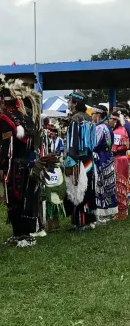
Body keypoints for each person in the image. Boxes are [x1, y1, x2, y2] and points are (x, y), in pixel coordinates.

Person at [0, 82, 38, 247]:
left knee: (14, 199)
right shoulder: (26, 117)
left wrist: (0, 167)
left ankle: (19, 234)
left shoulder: (5, 118)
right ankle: (25, 233)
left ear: (3, 101)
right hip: (29, 164)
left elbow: (7, 146)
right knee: (27, 197)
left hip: (14, 167)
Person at [64, 91, 97, 230]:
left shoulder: (75, 119)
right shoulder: (89, 119)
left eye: (70, 101)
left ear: (75, 103)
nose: (68, 103)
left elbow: (73, 144)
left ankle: (79, 221)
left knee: (78, 189)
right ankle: (89, 220)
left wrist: (69, 161)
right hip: (89, 160)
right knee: (88, 188)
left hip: (77, 160)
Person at [109, 110, 130, 220]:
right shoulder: (121, 130)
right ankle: (122, 210)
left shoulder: (118, 132)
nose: (109, 121)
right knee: (122, 184)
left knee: (119, 185)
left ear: (116, 120)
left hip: (119, 160)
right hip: (122, 159)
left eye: (111, 119)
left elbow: (114, 148)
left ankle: (121, 213)